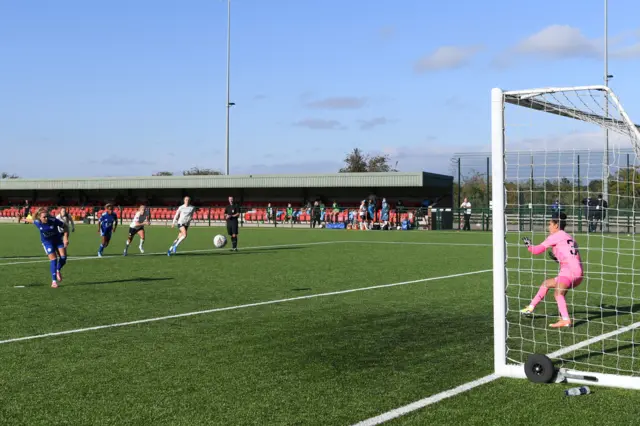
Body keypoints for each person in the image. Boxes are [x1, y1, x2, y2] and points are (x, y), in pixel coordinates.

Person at [520, 212, 583, 328]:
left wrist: (529, 245)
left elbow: (536, 250)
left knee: (558, 293)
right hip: (578, 273)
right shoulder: (570, 238)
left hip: (568, 272)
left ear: (556, 225)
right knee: (547, 284)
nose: (548, 227)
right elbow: (571, 254)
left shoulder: (555, 236)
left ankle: (565, 320)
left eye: (550, 224)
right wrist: (558, 257)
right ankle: (530, 307)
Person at [33, 208, 67, 288]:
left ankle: (58, 269)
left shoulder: (53, 220)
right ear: (40, 218)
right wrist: (21, 218)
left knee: (63, 258)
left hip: (58, 240)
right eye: (44, 217)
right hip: (47, 243)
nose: (46, 218)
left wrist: (65, 237)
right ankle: (54, 282)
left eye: (47, 216)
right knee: (53, 260)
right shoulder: (37, 223)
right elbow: (31, 221)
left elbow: (65, 226)